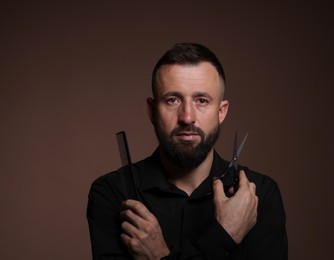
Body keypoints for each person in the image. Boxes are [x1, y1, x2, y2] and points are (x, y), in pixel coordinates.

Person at [87, 42, 288, 259]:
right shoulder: (112, 193)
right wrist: (225, 235)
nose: (187, 117)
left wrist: (161, 257)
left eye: (201, 100)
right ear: (152, 111)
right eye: (172, 100)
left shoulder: (258, 196)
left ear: (221, 112)